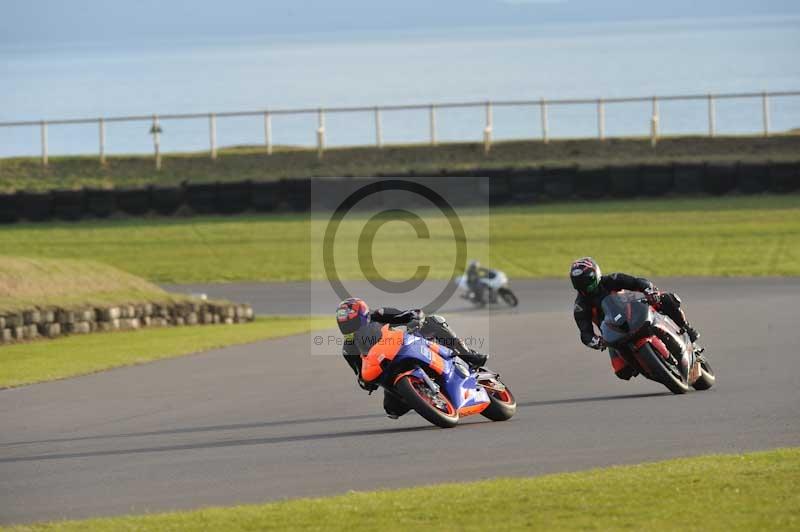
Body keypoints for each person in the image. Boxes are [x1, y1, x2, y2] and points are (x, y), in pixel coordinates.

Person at [335, 297, 488, 418]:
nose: (349, 328)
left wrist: (415, 319)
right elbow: (360, 374)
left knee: (433, 321)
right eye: (345, 324)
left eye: (351, 322)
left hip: (405, 346)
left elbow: (410, 314)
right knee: (392, 410)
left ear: (362, 315)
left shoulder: (379, 315)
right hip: (388, 369)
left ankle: (468, 355)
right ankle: (426, 397)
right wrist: (365, 382)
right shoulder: (348, 349)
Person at [570, 257, 699, 380]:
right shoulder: (580, 306)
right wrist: (596, 341)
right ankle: (648, 366)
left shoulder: (612, 280)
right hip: (614, 333)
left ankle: (686, 327)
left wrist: (649, 291)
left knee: (665, 299)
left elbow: (637, 282)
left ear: (596, 274)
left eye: (587, 280)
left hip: (635, 312)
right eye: (578, 282)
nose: (584, 285)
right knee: (622, 372)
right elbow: (585, 333)